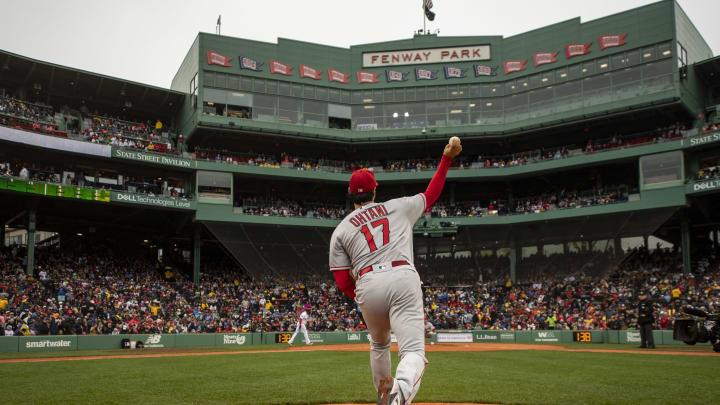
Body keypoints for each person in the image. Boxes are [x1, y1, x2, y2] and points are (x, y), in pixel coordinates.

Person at [329, 136, 462, 405]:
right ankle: (399, 392)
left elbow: (343, 280)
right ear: (374, 192)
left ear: (350, 195)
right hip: (401, 276)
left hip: (367, 282)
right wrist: (447, 158)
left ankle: (382, 393)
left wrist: (364, 293)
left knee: (379, 343)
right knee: (412, 350)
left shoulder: (341, 229)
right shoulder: (398, 206)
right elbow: (432, 193)